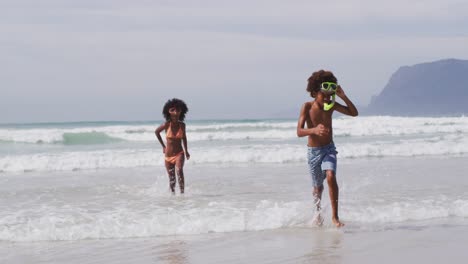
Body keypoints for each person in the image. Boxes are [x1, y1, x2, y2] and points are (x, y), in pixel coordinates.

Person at [297, 70, 358, 227]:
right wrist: (314, 130)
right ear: (315, 92)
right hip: (313, 153)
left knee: (331, 176)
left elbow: (354, 113)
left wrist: (343, 96)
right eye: (324, 95)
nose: (327, 99)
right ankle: (317, 215)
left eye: (330, 96)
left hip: (329, 149)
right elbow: (299, 131)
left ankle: (335, 217)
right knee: (318, 188)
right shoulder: (307, 107)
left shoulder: (331, 106)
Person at [155, 98, 190, 194]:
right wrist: (163, 146)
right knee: (172, 179)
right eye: (172, 110)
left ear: (181, 111)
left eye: (178, 110)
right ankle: (173, 197)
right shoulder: (166, 125)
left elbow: (184, 138)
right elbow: (157, 132)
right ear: (168, 112)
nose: (175, 112)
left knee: (179, 170)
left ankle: (182, 193)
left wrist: (186, 151)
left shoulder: (182, 125)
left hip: (179, 153)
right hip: (168, 156)